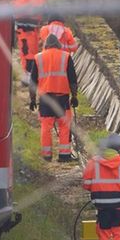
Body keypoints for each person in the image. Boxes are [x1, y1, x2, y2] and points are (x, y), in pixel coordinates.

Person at [30, 33, 78, 162]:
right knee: (64, 126)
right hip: (62, 98)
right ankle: (64, 155)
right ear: (58, 45)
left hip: (45, 98)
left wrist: (32, 99)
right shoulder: (66, 56)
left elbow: (33, 82)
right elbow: (73, 80)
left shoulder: (38, 57)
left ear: (45, 45)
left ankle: (46, 156)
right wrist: (74, 97)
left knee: (46, 127)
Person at [13, 0, 45, 110]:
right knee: (27, 55)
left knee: (30, 54)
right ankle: (28, 76)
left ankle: (29, 76)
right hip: (26, 32)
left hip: (32, 31)